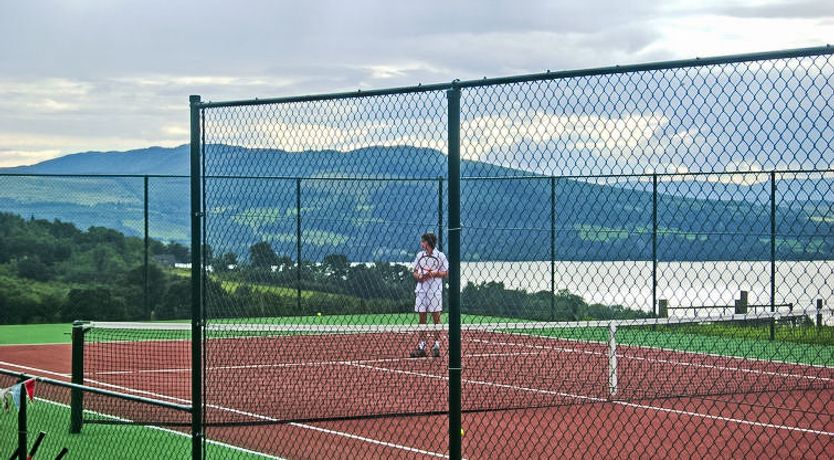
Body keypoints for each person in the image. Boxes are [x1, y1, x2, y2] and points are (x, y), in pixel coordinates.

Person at [410, 232, 448, 358]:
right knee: (422, 319)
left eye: (423, 241)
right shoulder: (419, 255)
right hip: (421, 291)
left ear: (427, 242)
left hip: (435, 291)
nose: (421, 243)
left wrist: (435, 273)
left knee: (436, 318)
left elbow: (446, 272)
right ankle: (422, 347)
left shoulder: (440, 256)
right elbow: (414, 272)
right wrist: (420, 277)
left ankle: (436, 346)